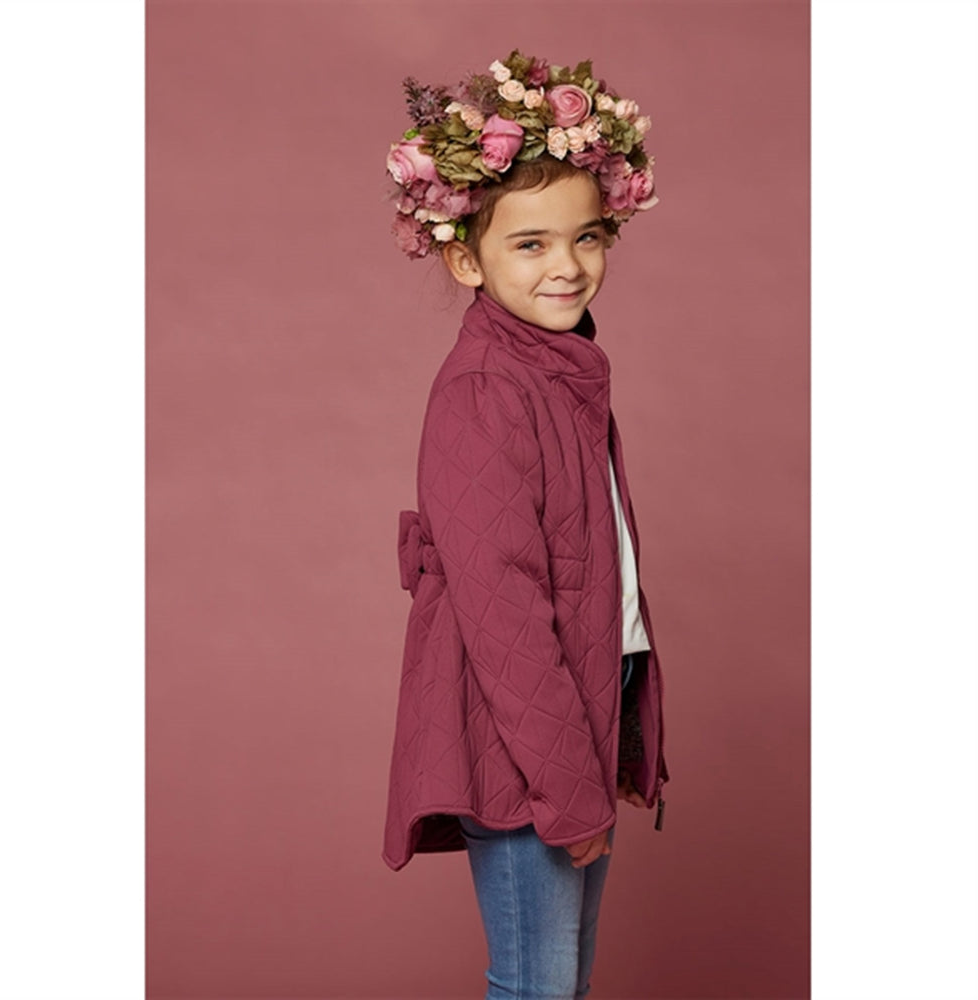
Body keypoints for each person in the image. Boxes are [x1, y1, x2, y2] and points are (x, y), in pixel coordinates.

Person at [381, 50, 669, 1000]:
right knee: (537, 986)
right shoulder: (486, 390)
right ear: (466, 258)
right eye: (531, 244)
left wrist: (614, 735)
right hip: (522, 743)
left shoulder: (560, 371)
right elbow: (505, 614)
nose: (568, 266)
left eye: (586, 238)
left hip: (574, 718)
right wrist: (567, 782)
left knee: (562, 985)